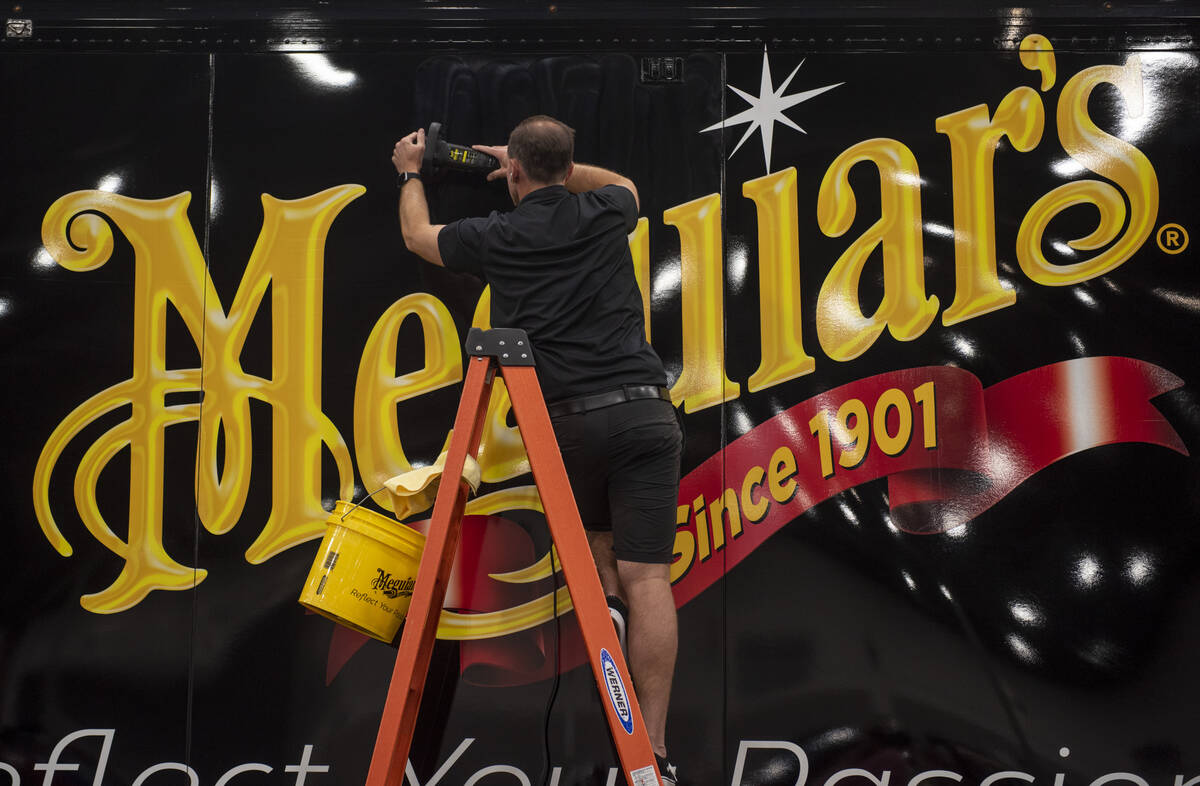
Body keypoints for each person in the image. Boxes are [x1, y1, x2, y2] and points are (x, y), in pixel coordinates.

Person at [391, 116, 683, 784]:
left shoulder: (498, 235)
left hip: (571, 425)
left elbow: (416, 235)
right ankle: (654, 754)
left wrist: (412, 170)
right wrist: (538, 165)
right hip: (644, 411)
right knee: (651, 580)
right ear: (568, 164)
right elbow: (627, 184)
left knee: (604, 568)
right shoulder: (605, 209)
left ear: (513, 171)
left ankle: (604, 612)